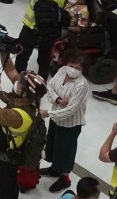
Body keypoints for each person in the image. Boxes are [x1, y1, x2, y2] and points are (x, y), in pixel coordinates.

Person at [0, 55, 47, 199]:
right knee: (12, 187)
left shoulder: (17, 116)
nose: (17, 83)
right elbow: (11, 70)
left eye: (20, 83)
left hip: (4, 159)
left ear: (24, 91)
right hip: (13, 158)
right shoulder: (32, 98)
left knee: (1, 191)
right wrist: (4, 51)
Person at [40, 48, 88, 193]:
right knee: (53, 144)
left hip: (70, 124)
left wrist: (48, 113)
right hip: (56, 118)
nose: (73, 70)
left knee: (66, 151)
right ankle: (55, 169)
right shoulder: (62, 71)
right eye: (71, 66)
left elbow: (71, 110)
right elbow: (49, 86)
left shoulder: (81, 85)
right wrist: (58, 100)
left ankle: (65, 179)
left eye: (78, 68)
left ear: (82, 70)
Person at [15, 0, 67, 78]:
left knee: (22, 57)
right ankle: (42, 82)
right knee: (44, 59)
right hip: (51, 30)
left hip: (31, 28)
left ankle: (20, 82)